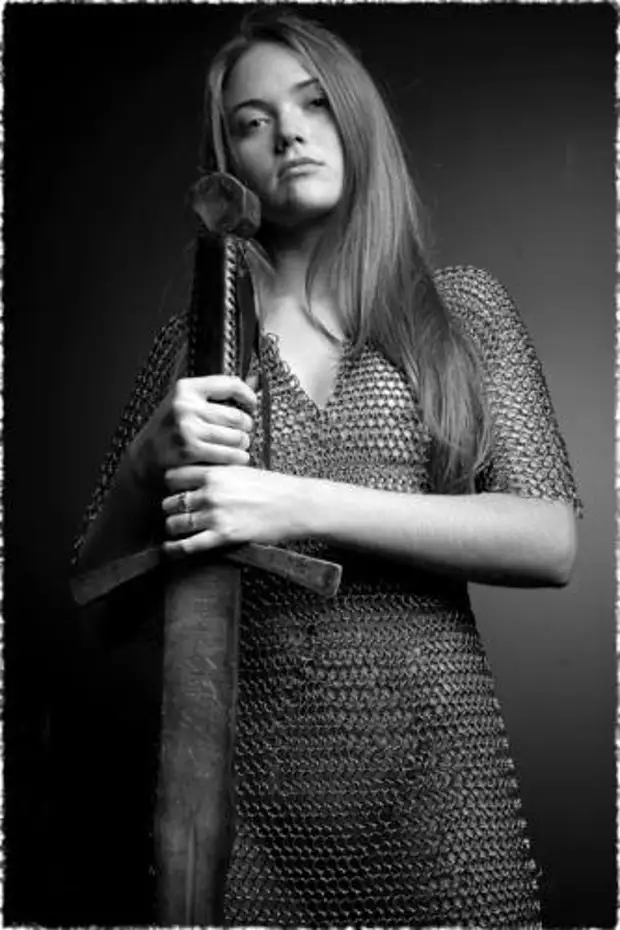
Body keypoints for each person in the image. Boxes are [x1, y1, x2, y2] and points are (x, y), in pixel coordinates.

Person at [74, 9, 582, 927]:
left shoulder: (457, 312)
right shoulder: (198, 354)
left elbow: (548, 541)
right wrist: (149, 460)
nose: (288, 134)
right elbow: (100, 609)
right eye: (251, 120)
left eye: (313, 103)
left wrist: (291, 504)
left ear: (356, 118)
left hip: (440, 797)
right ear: (226, 160)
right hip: (253, 818)